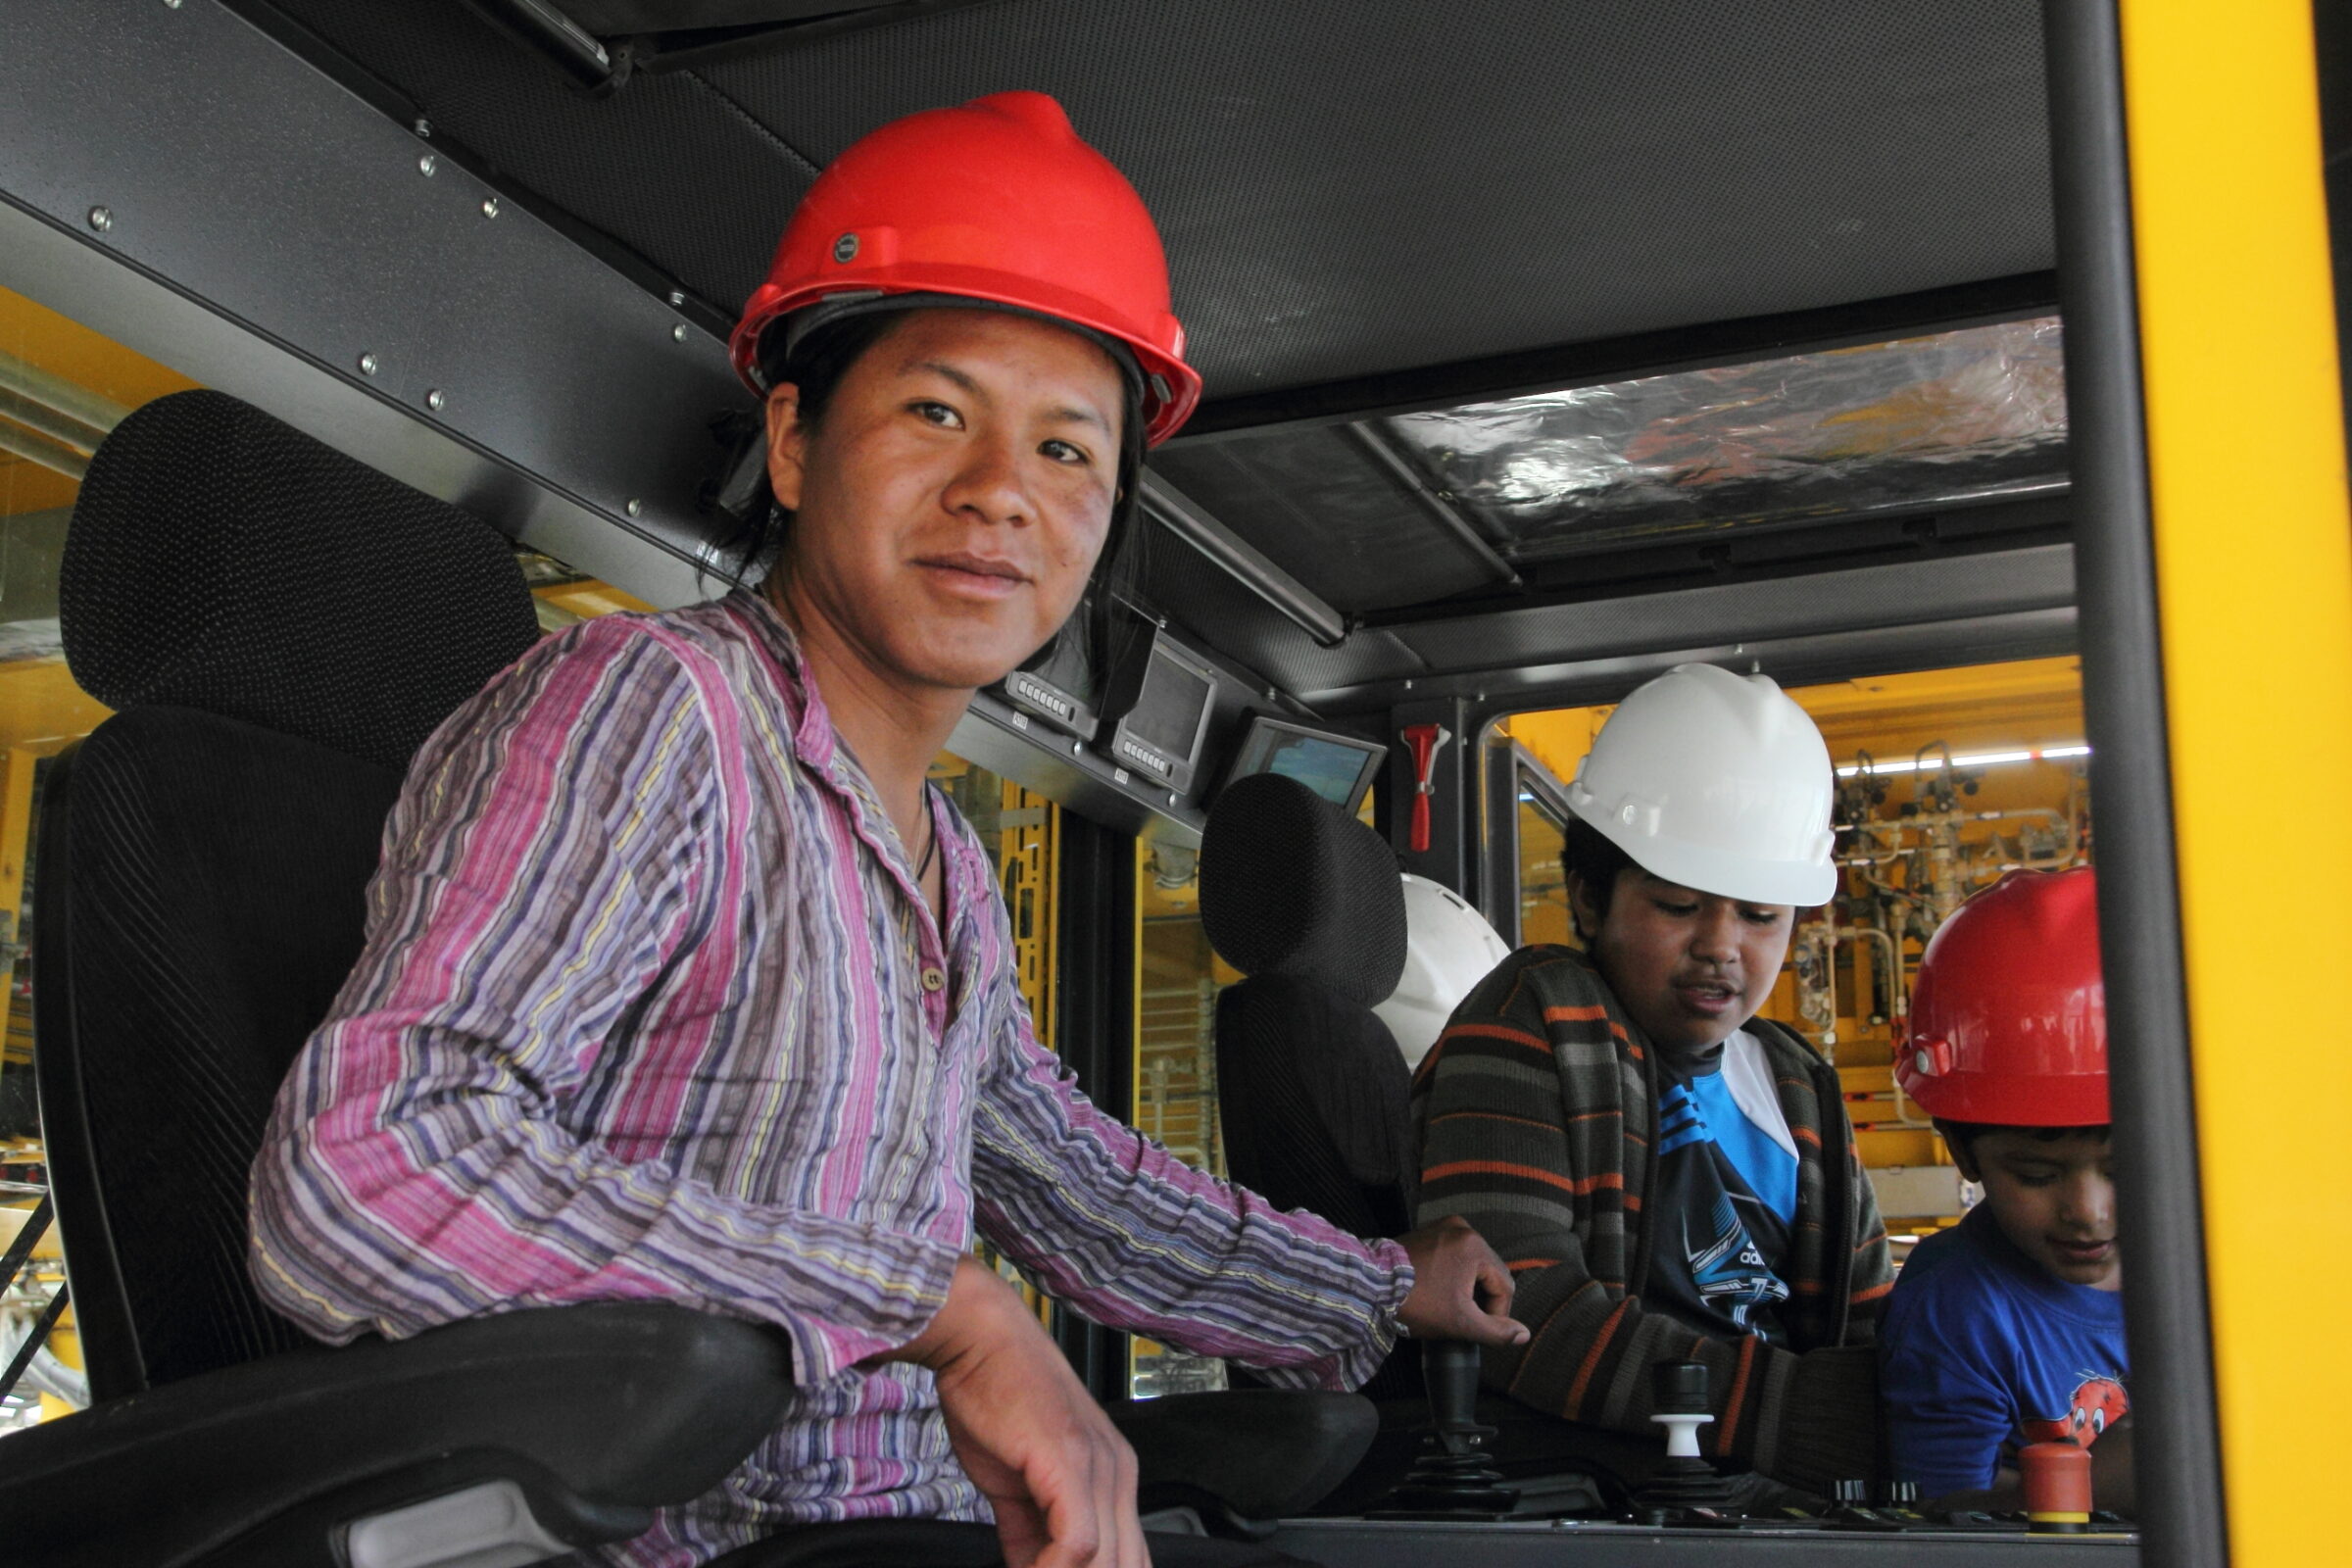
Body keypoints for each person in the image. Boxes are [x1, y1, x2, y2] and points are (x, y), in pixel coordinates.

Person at [247, 92, 1524, 1568]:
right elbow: (361, 1167)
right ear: (793, 443)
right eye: (936, 412)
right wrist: (933, 1310)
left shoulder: (949, 874)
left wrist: (1378, 1293)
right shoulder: (661, 717)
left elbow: (1077, 1187)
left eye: (1067, 452)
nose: (999, 493)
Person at [1412, 662, 1891, 1494]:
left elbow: (1871, 1315)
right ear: (1590, 899)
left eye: (1760, 915)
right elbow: (1512, 1305)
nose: (1721, 945)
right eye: (1678, 905)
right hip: (1619, 1492)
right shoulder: (1532, 1023)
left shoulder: (1798, 1088)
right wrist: (1793, 1413)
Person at [1881, 866, 2132, 1514]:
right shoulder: (1958, 1307)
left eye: (2123, 1166)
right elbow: (1942, 1526)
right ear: (1962, 1149)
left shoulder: (2220, 1262)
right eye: (2038, 1176)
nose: (2088, 1212)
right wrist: (2104, 1485)